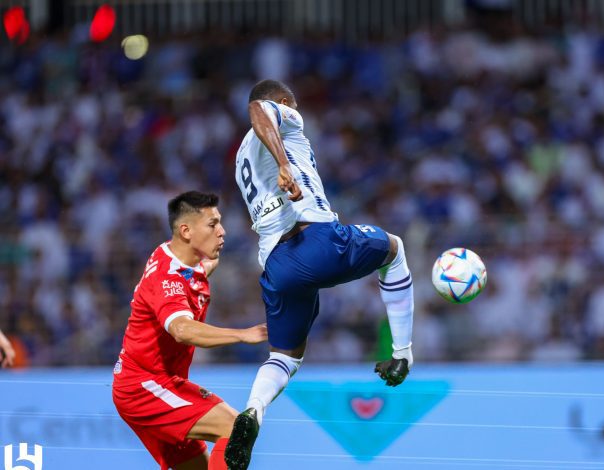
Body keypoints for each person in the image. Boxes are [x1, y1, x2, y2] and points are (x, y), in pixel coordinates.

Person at [226, 79, 415, 468]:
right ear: (284, 103)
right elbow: (259, 109)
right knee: (394, 249)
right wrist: (283, 163)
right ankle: (403, 354)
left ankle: (252, 412)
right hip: (316, 239)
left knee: (285, 357)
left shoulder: (240, 158)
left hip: (277, 265)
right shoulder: (280, 116)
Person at [112, 191, 267, 470]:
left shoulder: (182, 259)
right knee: (236, 427)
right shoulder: (166, 278)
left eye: (220, 223)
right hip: (145, 387)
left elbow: (202, 268)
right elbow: (182, 329)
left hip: (156, 383)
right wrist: (243, 335)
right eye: (212, 224)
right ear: (186, 230)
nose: (222, 231)